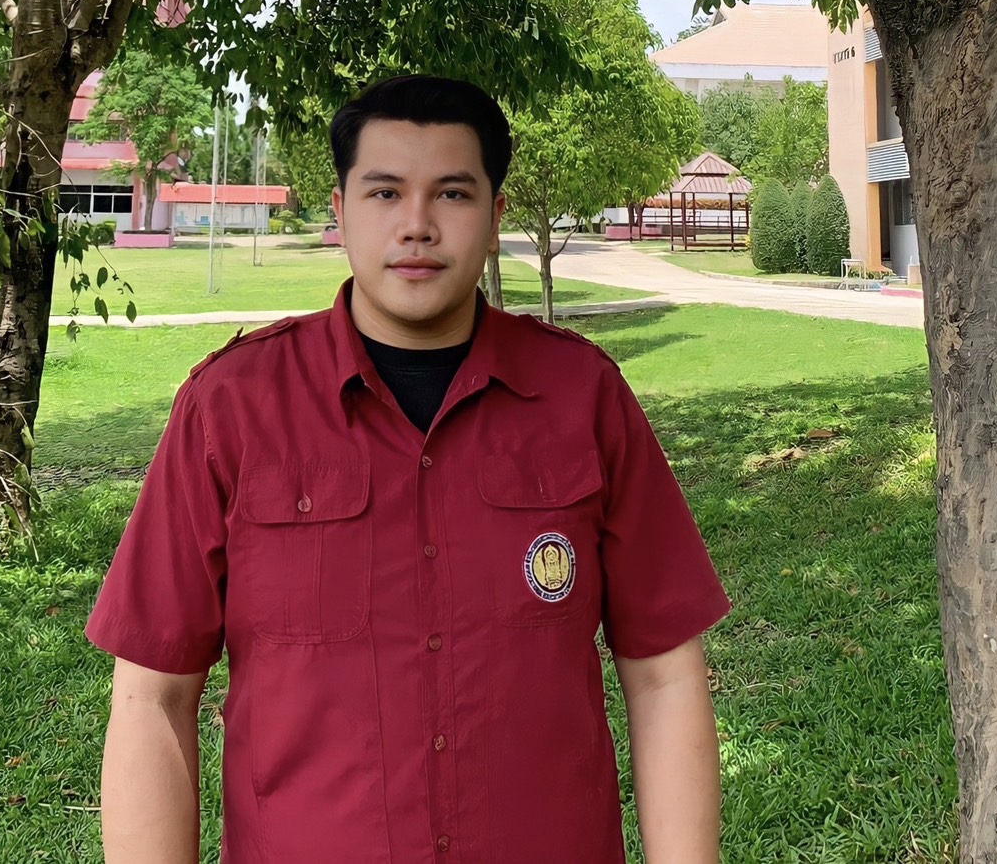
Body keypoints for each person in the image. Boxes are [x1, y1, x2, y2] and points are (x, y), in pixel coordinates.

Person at [86, 74, 730, 864]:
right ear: (341, 210)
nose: (417, 224)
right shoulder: (230, 410)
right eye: (385, 192)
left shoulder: (583, 398)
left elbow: (664, 675)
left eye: (452, 194)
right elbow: (152, 695)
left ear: (495, 217)